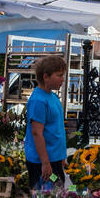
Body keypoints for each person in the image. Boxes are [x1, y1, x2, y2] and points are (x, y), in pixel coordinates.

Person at [25, 55, 68, 189]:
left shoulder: (52, 96)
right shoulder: (38, 100)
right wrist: (45, 163)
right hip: (42, 163)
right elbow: (37, 133)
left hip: (53, 159)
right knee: (45, 197)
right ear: (46, 77)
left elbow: (56, 127)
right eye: (59, 75)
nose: (63, 79)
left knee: (59, 190)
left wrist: (60, 156)